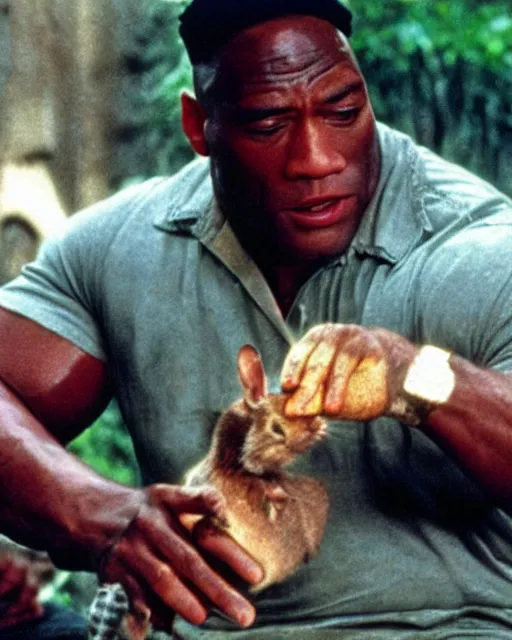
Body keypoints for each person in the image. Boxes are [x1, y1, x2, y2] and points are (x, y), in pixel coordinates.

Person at [0, 0, 512, 637]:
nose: (317, 158)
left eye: (343, 112)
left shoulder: (480, 248)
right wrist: (96, 514)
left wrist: (418, 377)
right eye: (269, 123)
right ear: (199, 125)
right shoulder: (125, 243)